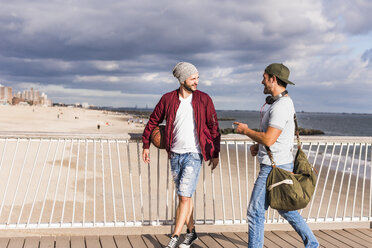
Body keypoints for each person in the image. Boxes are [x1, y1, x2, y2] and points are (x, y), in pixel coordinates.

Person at [234, 63, 319, 248]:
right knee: (285, 208)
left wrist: (246, 131)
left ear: (273, 79)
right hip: (276, 164)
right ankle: (312, 243)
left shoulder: (281, 106)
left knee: (255, 212)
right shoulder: (277, 103)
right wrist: (258, 145)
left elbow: (270, 139)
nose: (261, 81)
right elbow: (271, 137)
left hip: (274, 168)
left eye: (264, 77)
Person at [142, 62, 220, 248]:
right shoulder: (167, 99)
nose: (197, 82)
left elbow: (214, 127)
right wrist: (146, 145)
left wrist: (215, 152)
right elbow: (153, 121)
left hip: (194, 154)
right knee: (184, 196)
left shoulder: (204, 99)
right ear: (182, 79)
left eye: (197, 78)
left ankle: (175, 237)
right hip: (175, 154)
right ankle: (191, 233)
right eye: (193, 78)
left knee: (184, 196)